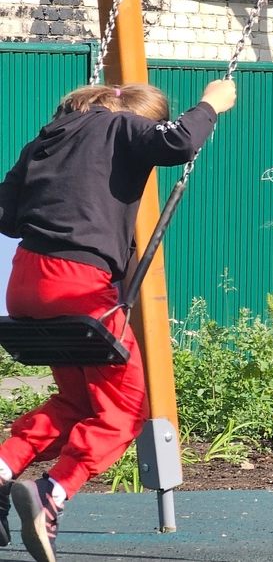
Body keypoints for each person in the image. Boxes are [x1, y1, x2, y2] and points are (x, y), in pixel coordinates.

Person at [0, 79, 236, 562]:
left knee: (78, 400)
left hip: (25, 280)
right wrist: (213, 102)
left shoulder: (48, 138)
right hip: (78, 284)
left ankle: (3, 468)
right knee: (124, 411)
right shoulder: (120, 125)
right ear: (133, 112)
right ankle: (52, 494)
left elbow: (5, 213)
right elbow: (179, 142)